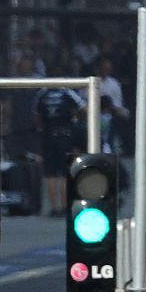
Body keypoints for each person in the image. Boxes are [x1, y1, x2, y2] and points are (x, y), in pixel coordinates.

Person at [33, 81, 83, 217]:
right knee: (64, 173)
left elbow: (36, 116)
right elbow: (83, 107)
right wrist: (74, 120)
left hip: (48, 136)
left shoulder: (42, 93)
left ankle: (54, 208)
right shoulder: (67, 91)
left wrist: (42, 129)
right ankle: (64, 207)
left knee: (50, 174)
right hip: (65, 136)